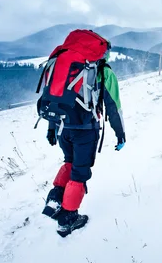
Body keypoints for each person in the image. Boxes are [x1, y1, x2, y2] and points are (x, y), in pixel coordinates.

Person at [38, 30, 126, 237]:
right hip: (85, 130)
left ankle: (55, 199)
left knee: (69, 162)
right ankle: (68, 219)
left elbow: (54, 98)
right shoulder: (103, 71)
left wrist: (51, 129)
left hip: (62, 128)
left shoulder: (60, 63)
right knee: (80, 172)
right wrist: (120, 134)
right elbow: (114, 107)